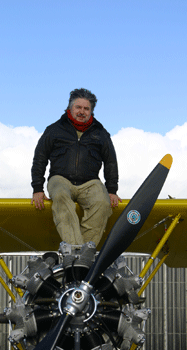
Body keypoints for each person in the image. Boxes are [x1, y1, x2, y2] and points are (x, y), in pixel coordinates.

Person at [31, 88, 122, 246]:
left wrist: (112, 190)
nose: (82, 111)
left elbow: (111, 162)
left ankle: (85, 252)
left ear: (91, 111)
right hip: (60, 179)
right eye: (78, 107)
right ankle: (74, 249)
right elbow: (40, 158)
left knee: (103, 202)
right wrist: (37, 188)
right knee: (59, 195)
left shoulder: (101, 134)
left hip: (90, 182)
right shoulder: (54, 130)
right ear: (70, 108)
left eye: (86, 108)